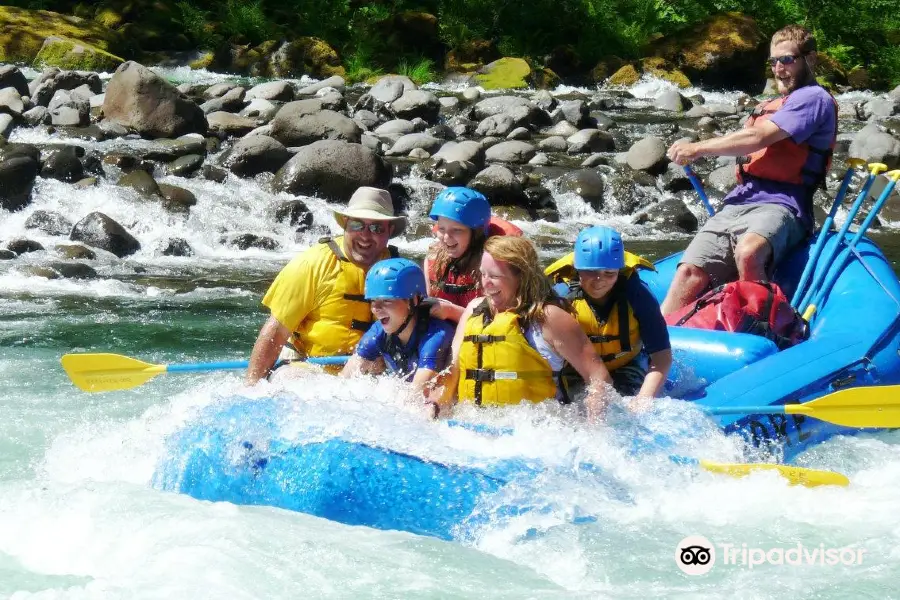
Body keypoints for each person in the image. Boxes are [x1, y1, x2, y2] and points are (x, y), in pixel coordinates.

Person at [661, 24, 838, 316]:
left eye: (787, 60)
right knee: (688, 274)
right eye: (773, 62)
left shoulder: (813, 99)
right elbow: (748, 145)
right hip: (739, 200)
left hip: (784, 203)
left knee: (748, 252)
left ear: (811, 59)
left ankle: (759, 329)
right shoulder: (773, 104)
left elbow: (758, 138)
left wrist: (698, 147)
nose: (779, 69)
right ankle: (655, 348)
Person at [430, 236, 616, 420]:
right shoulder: (474, 310)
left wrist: (595, 432)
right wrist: (434, 407)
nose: (484, 283)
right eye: (483, 273)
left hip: (537, 434)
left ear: (522, 277)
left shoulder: (549, 318)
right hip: (474, 428)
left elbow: (599, 379)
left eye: (494, 276)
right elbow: (451, 371)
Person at [246, 187, 406, 384]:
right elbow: (275, 332)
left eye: (376, 228)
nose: (365, 235)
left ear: (389, 231)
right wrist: (251, 388)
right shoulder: (311, 264)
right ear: (345, 224)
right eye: (357, 225)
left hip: (368, 377)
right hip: (309, 371)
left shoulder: (401, 272)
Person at [548, 226, 672, 399]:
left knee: (623, 410)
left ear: (619, 271)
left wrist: (644, 399)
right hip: (578, 369)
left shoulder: (637, 294)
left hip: (627, 365)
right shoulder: (560, 298)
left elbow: (661, 356)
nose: (600, 281)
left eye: (609, 273)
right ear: (577, 269)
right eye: (591, 272)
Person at [340, 258, 455, 396]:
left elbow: (416, 397)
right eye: (373, 301)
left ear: (413, 300)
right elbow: (343, 383)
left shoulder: (436, 335)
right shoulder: (378, 331)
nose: (375, 309)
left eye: (386, 300)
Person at [424, 187, 521, 323]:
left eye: (457, 230)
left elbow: (501, 320)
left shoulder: (498, 265)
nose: (446, 237)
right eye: (441, 229)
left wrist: (451, 312)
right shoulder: (433, 256)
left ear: (477, 233)